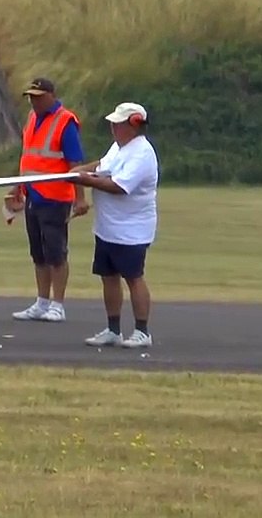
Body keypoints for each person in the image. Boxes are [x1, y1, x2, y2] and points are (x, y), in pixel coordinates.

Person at [68, 102, 159, 349]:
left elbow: (119, 186)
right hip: (107, 227)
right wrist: (80, 171)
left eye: (118, 124)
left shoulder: (142, 153)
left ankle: (142, 331)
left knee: (133, 277)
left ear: (134, 125)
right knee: (108, 277)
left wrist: (85, 180)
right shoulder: (119, 148)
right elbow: (102, 166)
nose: (113, 128)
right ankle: (113, 329)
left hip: (132, 229)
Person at [10, 77, 89, 324]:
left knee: (56, 253)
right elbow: (29, 158)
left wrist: (80, 198)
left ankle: (58, 304)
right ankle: (42, 301)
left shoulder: (65, 122)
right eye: (31, 97)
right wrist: (17, 186)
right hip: (33, 193)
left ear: (51, 96)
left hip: (56, 196)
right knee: (38, 253)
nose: (34, 101)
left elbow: (74, 163)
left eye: (38, 96)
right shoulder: (33, 119)